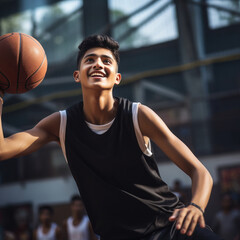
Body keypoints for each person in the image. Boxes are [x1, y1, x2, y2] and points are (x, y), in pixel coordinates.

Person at [0, 34, 222, 240]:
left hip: (169, 228)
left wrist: (196, 207)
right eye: (90, 60)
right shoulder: (61, 123)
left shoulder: (138, 115)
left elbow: (200, 172)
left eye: (106, 61)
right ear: (77, 75)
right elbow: (3, 148)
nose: (98, 64)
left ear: (117, 78)